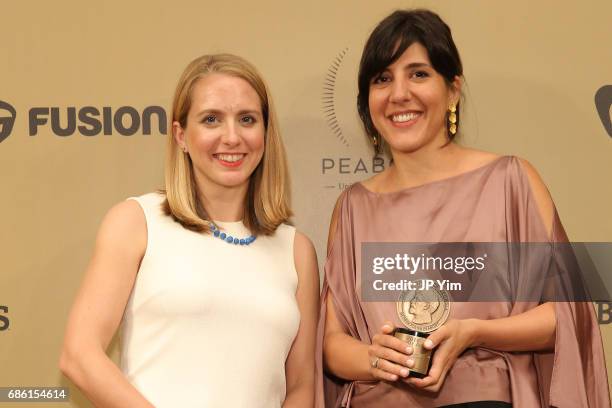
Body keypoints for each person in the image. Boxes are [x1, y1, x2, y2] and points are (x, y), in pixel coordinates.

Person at [317, 9, 610, 408]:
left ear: (453, 89)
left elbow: (564, 316)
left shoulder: (509, 182)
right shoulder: (352, 207)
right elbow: (332, 343)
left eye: (418, 73)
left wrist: (472, 332)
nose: (399, 93)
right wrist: (374, 358)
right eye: (382, 78)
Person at [60, 54, 319, 407]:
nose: (232, 137)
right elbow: (79, 355)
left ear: (265, 132)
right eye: (211, 119)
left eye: (247, 119)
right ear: (181, 135)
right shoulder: (136, 221)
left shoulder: (297, 250)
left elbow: (302, 385)